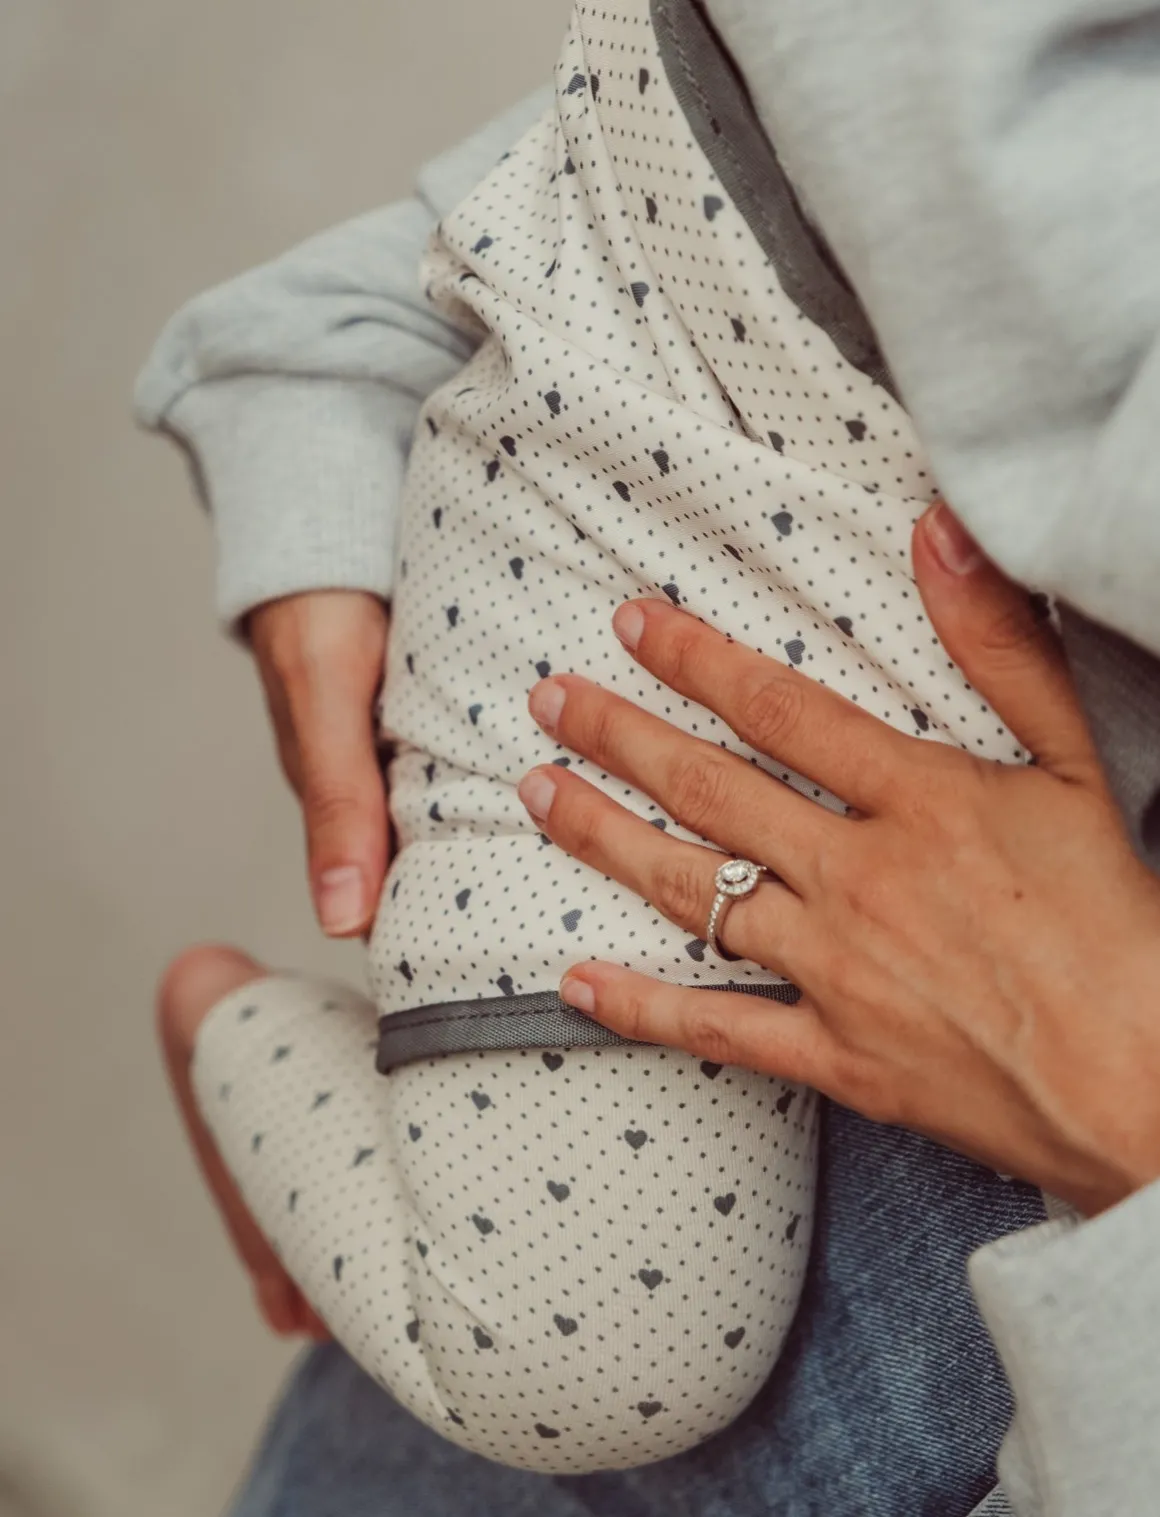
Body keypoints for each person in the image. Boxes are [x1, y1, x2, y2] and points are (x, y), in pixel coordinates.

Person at [139, 0, 1160, 1511]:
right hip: (664, 575)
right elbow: (713, 106)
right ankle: (235, 1025)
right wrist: (318, 378)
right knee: (570, 1363)